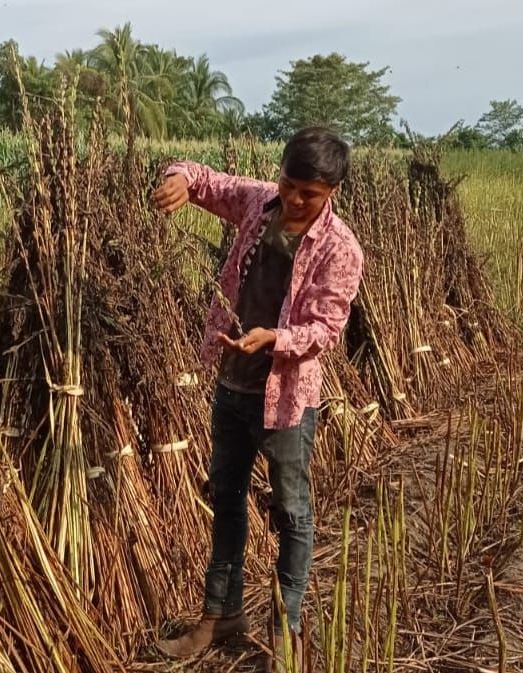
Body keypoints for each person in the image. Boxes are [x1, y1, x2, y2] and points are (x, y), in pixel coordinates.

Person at [151, 127, 364, 672]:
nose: (294, 199)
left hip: (286, 399)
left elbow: (326, 329)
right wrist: (179, 178)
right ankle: (220, 615)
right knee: (226, 498)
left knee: (292, 512)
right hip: (232, 383)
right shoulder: (258, 203)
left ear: (333, 192)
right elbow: (204, 178)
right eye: (289, 184)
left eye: (309, 193)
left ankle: (284, 632)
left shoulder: (340, 249)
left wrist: (276, 339)